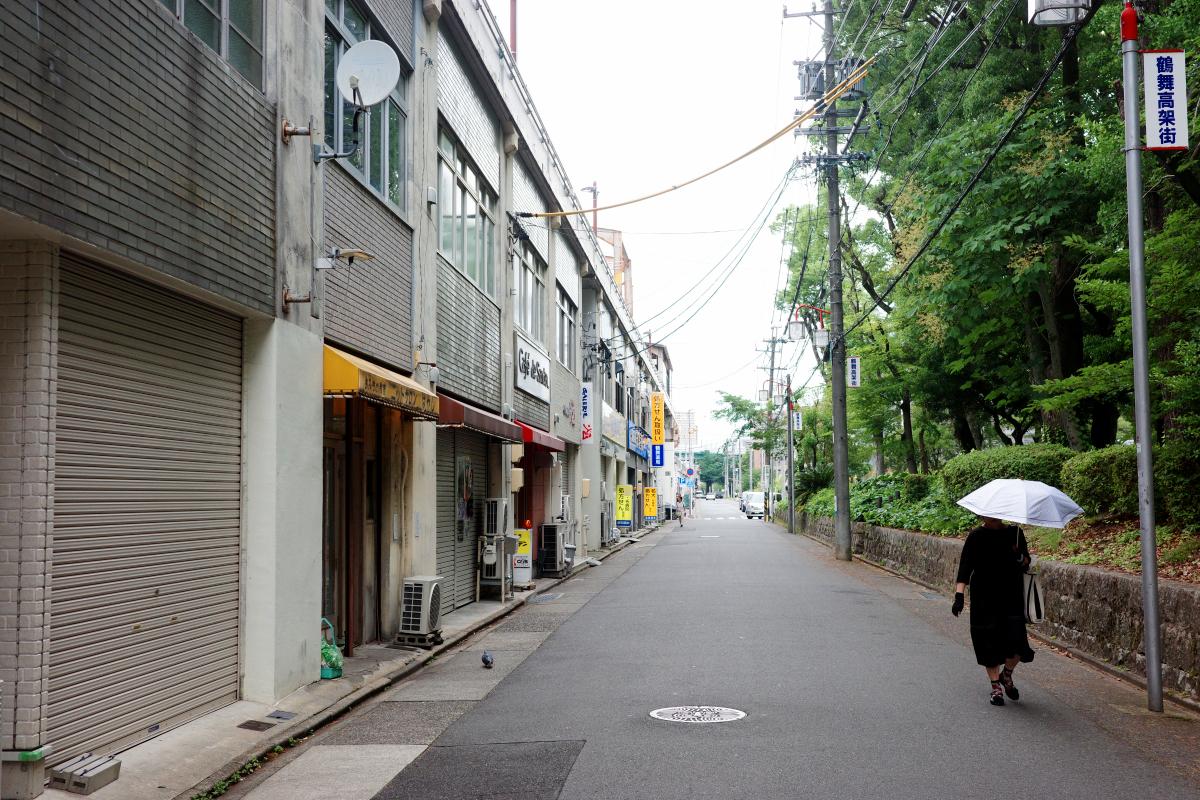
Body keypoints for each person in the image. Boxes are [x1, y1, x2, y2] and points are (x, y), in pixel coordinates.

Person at [952, 515, 1034, 706]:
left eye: (996, 515)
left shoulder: (1015, 533)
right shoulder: (976, 536)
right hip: (984, 598)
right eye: (988, 516)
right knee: (988, 642)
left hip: (1011, 596)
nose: (992, 518)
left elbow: (1026, 562)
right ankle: (996, 687)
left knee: (1017, 643)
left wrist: (1020, 556)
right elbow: (965, 567)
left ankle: (1007, 675)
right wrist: (959, 596)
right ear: (981, 515)